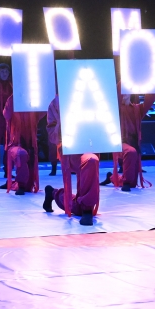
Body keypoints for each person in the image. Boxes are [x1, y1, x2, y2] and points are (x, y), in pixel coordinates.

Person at [42, 94, 99, 226]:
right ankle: (86, 209)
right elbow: (52, 135)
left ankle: (54, 193)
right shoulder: (56, 102)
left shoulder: (93, 95)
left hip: (88, 147)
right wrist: (63, 122)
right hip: (70, 149)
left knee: (91, 160)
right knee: (90, 161)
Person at [101, 92, 155, 191]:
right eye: (123, 92)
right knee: (130, 152)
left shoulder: (137, 109)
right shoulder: (115, 109)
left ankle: (111, 177)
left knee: (133, 183)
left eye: (127, 92)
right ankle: (126, 182)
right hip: (119, 143)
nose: (125, 94)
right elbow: (118, 91)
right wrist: (124, 83)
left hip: (133, 144)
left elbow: (151, 97)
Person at [2, 95, 43, 195]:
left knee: (29, 186)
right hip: (15, 144)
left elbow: (43, 112)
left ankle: (15, 184)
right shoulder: (11, 101)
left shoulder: (32, 102)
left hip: (30, 144)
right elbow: (6, 115)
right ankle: (20, 184)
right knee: (21, 154)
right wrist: (14, 97)